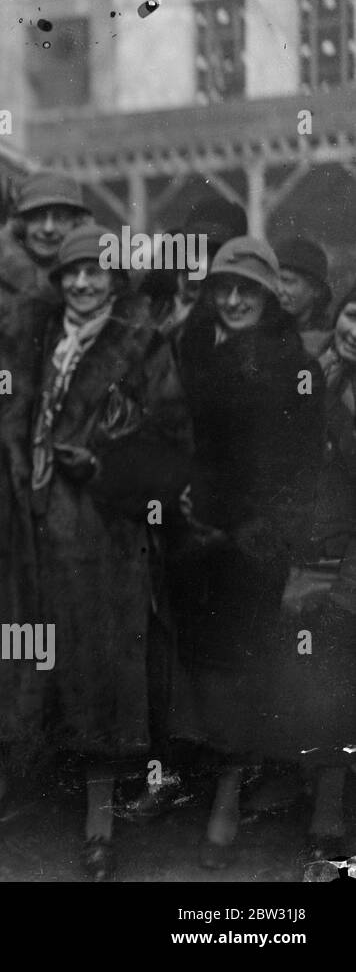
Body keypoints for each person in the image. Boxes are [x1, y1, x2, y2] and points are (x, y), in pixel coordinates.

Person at [0, 224, 192, 880]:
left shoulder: (142, 344)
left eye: (95, 272)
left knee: (99, 664)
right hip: (28, 516)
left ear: (116, 279)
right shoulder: (37, 335)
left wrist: (101, 463)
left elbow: (172, 440)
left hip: (101, 528)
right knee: (16, 647)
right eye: (72, 272)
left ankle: (100, 820)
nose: (82, 283)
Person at [171, 237, 325, 870]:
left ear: (269, 296)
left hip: (252, 546)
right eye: (223, 288)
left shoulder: (297, 368)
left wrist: (258, 534)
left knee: (243, 667)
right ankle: (204, 783)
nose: (233, 300)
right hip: (192, 536)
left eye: (248, 290)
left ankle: (227, 803)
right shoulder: (197, 353)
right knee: (199, 665)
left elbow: (302, 472)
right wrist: (179, 496)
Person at [271, 283, 356, 870]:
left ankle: (328, 810)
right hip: (318, 547)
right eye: (354, 313)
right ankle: (309, 791)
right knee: (311, 671)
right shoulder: (320, 371)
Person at [0, 171, 92, 354]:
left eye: (60, 218)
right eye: (38, 217)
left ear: (76, 225)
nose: (48, 228)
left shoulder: (96, 283)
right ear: (22, 223)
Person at [276, 236, 331, 357]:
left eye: (287, 281)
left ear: (316, 289)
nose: (278, 289)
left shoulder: (330, 342)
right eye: (274, 279)